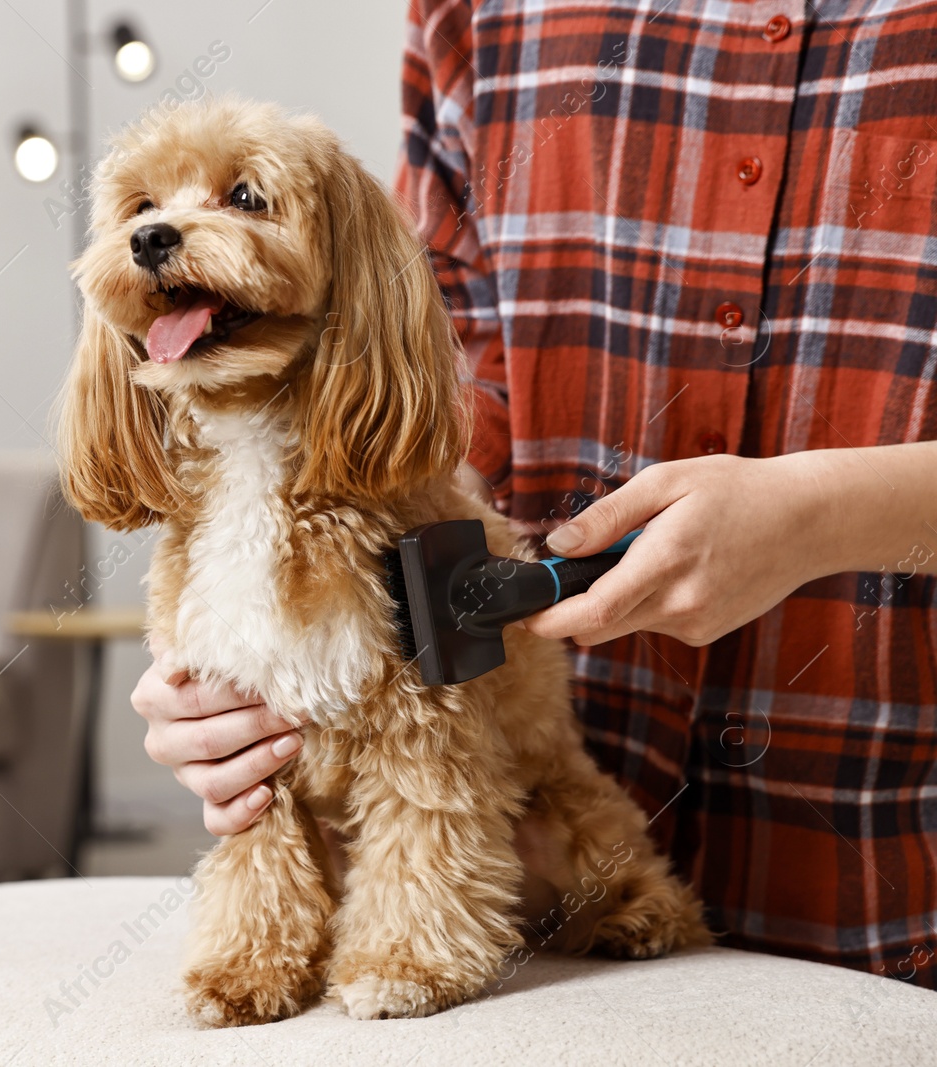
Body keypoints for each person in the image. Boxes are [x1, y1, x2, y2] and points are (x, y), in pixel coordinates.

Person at [133, 1, 937, 988]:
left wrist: (824, 514)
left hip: (890, 874)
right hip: (533, 940)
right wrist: (245, 658)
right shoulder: (470, 13)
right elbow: (455, 378)